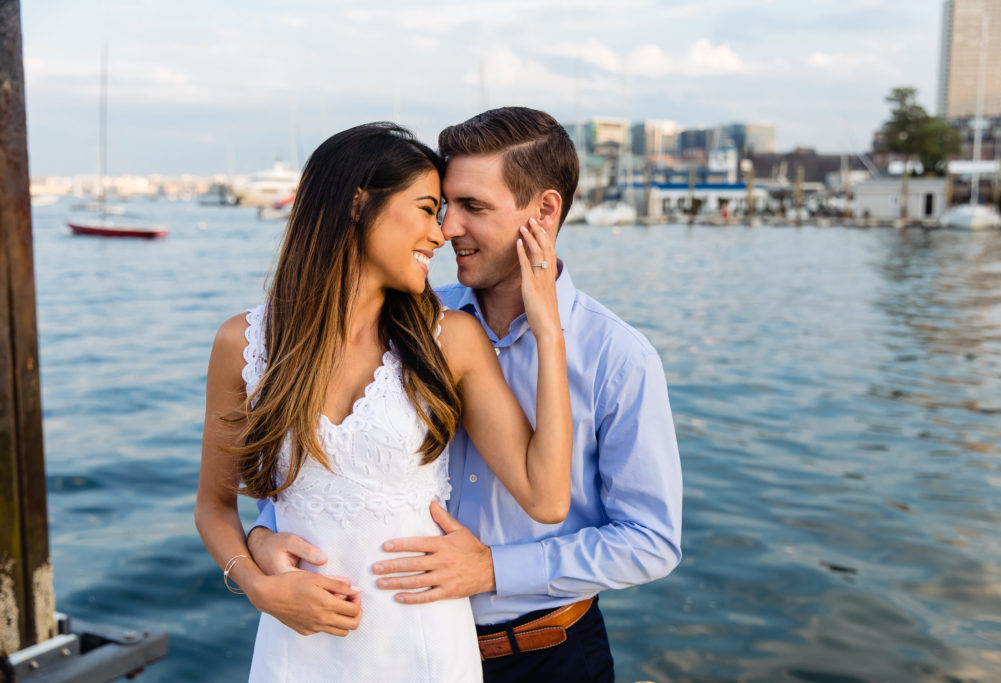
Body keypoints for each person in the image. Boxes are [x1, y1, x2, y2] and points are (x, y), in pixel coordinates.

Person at [249, 107, 683, 682]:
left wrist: (494, 571)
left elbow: (651, 541)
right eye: (443, 205)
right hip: (385, 645)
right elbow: (322, 464)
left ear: (544, 211)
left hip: (549, 657)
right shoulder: (412, 317)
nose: (448, 228)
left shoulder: (619, 358)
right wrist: (260, 536)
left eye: (473, 208)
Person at [194, 122, 575, 682]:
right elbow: (213, 505)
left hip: (422, 649)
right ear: (356, 205)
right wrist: (260, 587)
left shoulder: (451, 342)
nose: (441, 233)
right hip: (296, 651)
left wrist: (549, 333)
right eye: (426, 208)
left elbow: (546, 499)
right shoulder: (243, 344)